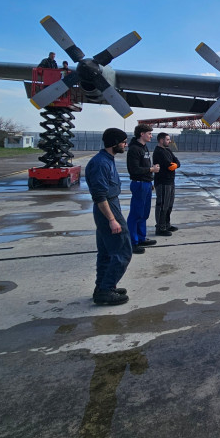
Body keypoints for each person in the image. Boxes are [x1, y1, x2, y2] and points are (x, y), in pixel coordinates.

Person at [85, 127, 134, 306]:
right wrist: (112, 219)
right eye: (123, 141)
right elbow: (100, 196)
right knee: (123, 250)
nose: (125, 144)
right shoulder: (100, 163)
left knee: (106, 253)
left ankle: (103, 287)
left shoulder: (107, 159)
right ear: (114, 143)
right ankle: (106, 290)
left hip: (109, 206)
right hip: (107, 209)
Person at [126, 123, 159, 253]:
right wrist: (152, 169)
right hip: (139, 183)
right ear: (142, 134)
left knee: (144, 213)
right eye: (149, 133)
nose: (151, 135)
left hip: (145, 183)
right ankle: (132, 242)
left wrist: (149, 181)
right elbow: (134, 169)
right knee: (136, 213)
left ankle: (141, 237)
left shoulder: (144, 147)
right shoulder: (134, 149)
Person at [153, 132, 180, 236]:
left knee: (169, 204)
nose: (169, 141)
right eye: (167, 139)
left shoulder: (167, 150)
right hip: (163, 181)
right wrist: (174, 165)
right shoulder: (159, 152)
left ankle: (167, 224)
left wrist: (176, 164)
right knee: (162, 204)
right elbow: (169, 165)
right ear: (161, 140)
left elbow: (177, 161)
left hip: (170, 181)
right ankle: (160, 227)